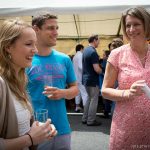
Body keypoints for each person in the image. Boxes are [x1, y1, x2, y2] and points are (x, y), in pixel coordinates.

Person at [0, 19, 57, 150]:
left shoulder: (18, 81)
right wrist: (31, 139)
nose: (35, 50)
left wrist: (40, 130)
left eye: (35, 44)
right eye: (28, 44)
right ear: (8, 47)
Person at [26, 13, 78, 150]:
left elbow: (75, 89)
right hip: (36, 130)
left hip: (62, 128)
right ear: (36, 29)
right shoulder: (26, 60)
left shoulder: (64, 59)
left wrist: (63, 93)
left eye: (57, 28)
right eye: (50, 28)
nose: (56, 32)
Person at [102, 7, 150, 149]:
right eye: (128, 25)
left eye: (136, 24)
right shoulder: (117, 54)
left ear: (146, 25)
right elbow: (105, 90)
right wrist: (127, 93)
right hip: (126, 125)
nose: (131, 29)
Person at [82, 34, 102, 126]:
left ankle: (85, 118)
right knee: (94, 99)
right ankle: (90, 120)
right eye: (99, 40)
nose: (99, 42)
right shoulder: (93, 52)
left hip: (86, 79)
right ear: (94, 40)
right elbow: (97, 69)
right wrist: (103, 71)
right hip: (92, 80)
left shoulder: (85, 50)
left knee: (89, 99)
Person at [73, 44, 88, 112]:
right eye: (83, 49)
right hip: (80, 77)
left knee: (78, 93)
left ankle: (77, 106)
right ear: (81, 48)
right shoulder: (80, 55)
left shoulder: (75, 56)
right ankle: (86, 109)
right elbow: (81, 66)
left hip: (75, 78)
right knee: (84, 93)